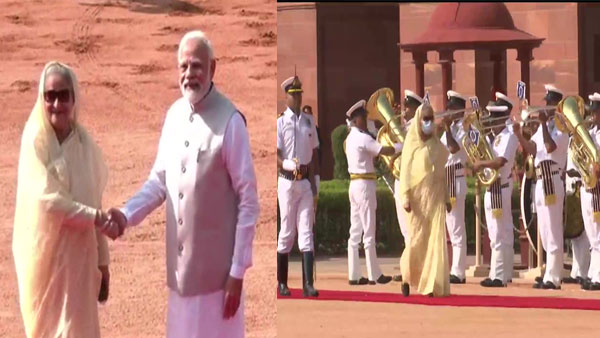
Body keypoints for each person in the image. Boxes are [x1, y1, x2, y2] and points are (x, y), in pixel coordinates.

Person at [107, 31, 260, 337]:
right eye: (184, 67)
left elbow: (249, 201)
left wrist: (237, 273)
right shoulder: (174, 115)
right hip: (181, 278)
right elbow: (159, 181)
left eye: (197, 66)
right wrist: (126, 215)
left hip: (218, 284)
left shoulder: (231, 123)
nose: (190, 74)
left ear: (213, 68)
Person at [12, 61, 121, 338]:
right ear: (42, 99)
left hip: (81, 266)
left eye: (63, 95)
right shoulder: (36, 143)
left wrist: (103, 263)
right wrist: (95, 217)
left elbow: (95, 199)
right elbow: (48, 201)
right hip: (48, 265)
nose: (57, 104)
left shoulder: (86, 146)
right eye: (50, 96)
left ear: (74, 99)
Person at [513, 84, 569, 290]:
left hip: (552, 179)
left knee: (553, 229)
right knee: (544, 230)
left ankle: (554, 277)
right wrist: (520, 135)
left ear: (557, 106)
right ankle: (548, 272)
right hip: (540, 180)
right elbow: (534, 149)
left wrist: (544, 125)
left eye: (549, 104)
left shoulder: (562, 126)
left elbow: (549, 147)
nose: (544, 108)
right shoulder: (547, 127)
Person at [345, 99, 400, 285]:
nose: (366, 120)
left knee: (355, 232)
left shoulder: (350, 138)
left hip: (354, 184)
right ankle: (374, 274)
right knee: (369, 231)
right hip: (365, 185)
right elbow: (384, 150)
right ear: (357, 119)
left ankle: (354, 275)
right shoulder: (362, 137)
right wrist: (401, 147)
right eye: (364, 117)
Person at [399, 103, 451, 297]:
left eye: (431, 118)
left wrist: (446, 198)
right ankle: (406, 276)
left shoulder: (437, 145)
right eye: (425, 119)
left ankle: (431, 285)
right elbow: (405, 172)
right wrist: (405, 197)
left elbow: (441, 173)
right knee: (416, 241)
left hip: (436, 196)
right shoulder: (411, 144)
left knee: (435, 241)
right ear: (419, 121)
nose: (428, 123)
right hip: (418, 200)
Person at [276, 74, 320, 297]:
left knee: (306, 232)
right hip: (286, 182)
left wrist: (316, 184)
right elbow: (275, 153)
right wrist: (283, 163)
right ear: (287, 97)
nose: (298, 98)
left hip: (303, 181)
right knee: (286, 232)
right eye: (294, 95)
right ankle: (282, 282)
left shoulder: (308, 121)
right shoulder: (280, 122)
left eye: (300, 94)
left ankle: (308, 284)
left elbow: (313, 155)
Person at [473, 92, 519, 287]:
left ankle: (498, 276)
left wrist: (480, 163)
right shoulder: (497, 137)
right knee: (503, 233)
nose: (489, 120)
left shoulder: (508, 136)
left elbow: (500, 161)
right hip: (494, 187)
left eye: (493, 117)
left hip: (499, 188)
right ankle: (505, 272)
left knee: (498, 234)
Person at [392, 89, 423, 282]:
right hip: (400, 179)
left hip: (410, 181)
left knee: (412, 228)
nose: (404, 110)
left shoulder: (416, 128)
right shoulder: (405, 126)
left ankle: (415, 269)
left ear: (414, 108)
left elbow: (404, 148)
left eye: (407, 107)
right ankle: (408, 268)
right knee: (405, 229)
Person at [440, 90, 469, 284]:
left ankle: (459, 271)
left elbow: (453, 148)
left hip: (456, 179)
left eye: (452, 109)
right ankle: (451, 268)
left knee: (457, 228)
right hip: (445, 179)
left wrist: (448, 129)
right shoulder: (449, 129)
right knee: (449, 228)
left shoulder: (465, 129)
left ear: (459, 110)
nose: (448, 113)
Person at [577, 92, 600, 291]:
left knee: (599, 234)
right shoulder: (591, 133)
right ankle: (593, 273)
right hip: (587, 187)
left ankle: (598, 276)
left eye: (595, 111)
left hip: (598, 188)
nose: (592, 115)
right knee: (592, 234)